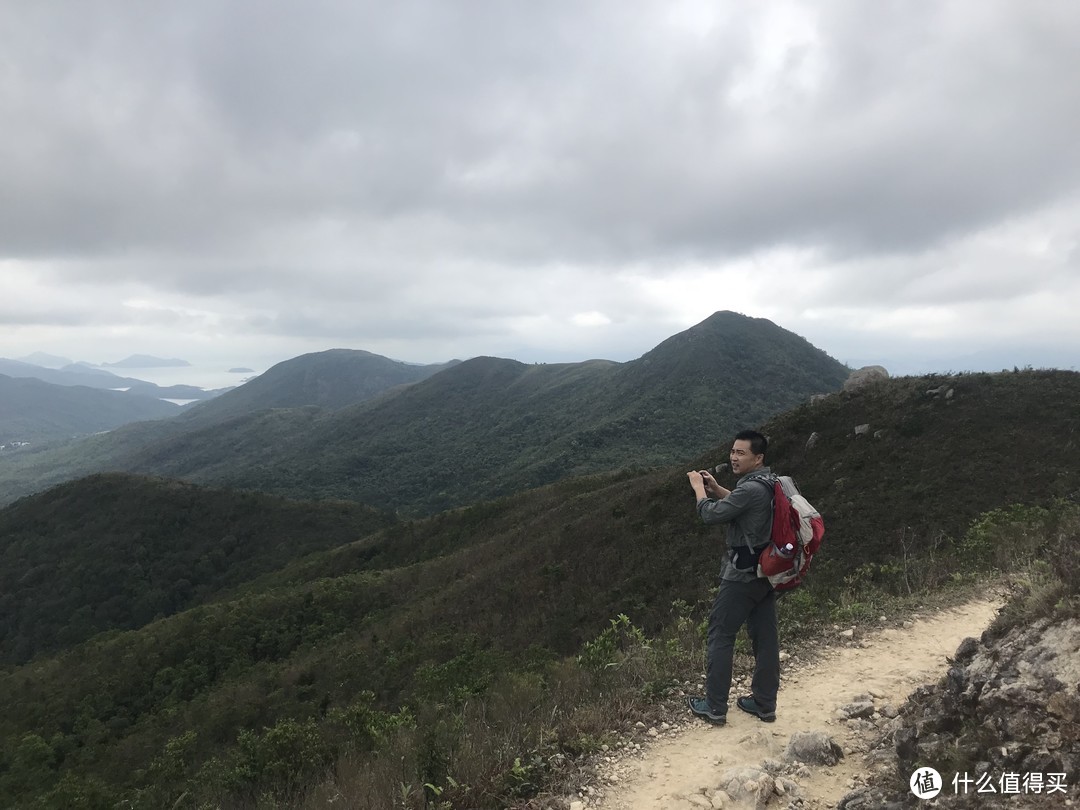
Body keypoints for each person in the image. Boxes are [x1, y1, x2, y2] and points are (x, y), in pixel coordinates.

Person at [684, 429, 778, 725]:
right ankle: (764, 704)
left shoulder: (750, 488)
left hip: (742, 576)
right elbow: (741, 504)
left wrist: (699, 488)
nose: (734, 457)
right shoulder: (769, 482)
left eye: (741, 453)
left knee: (721, 634)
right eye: (733, 452)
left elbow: (710, 515)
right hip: (767, 572)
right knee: (765, 639)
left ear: (758, 457)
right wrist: (718, 488)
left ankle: (714, 707)